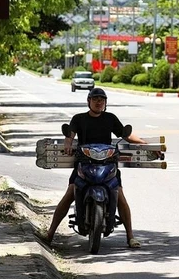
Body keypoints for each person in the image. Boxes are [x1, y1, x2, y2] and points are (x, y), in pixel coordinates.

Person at [45, 88, 146, 248]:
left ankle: (130, 236)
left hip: (108, 164)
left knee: (119, 195)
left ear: (105, 103)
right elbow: (70, 135)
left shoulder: (110, 118)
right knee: (70, 193)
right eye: (95, 99)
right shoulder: (79, 119)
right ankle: (50, 234)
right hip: (84, 164)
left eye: (102, 100)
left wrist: (143, 143)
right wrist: (68, 145)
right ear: (89, 101)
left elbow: (125, 135)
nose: (99, 102)